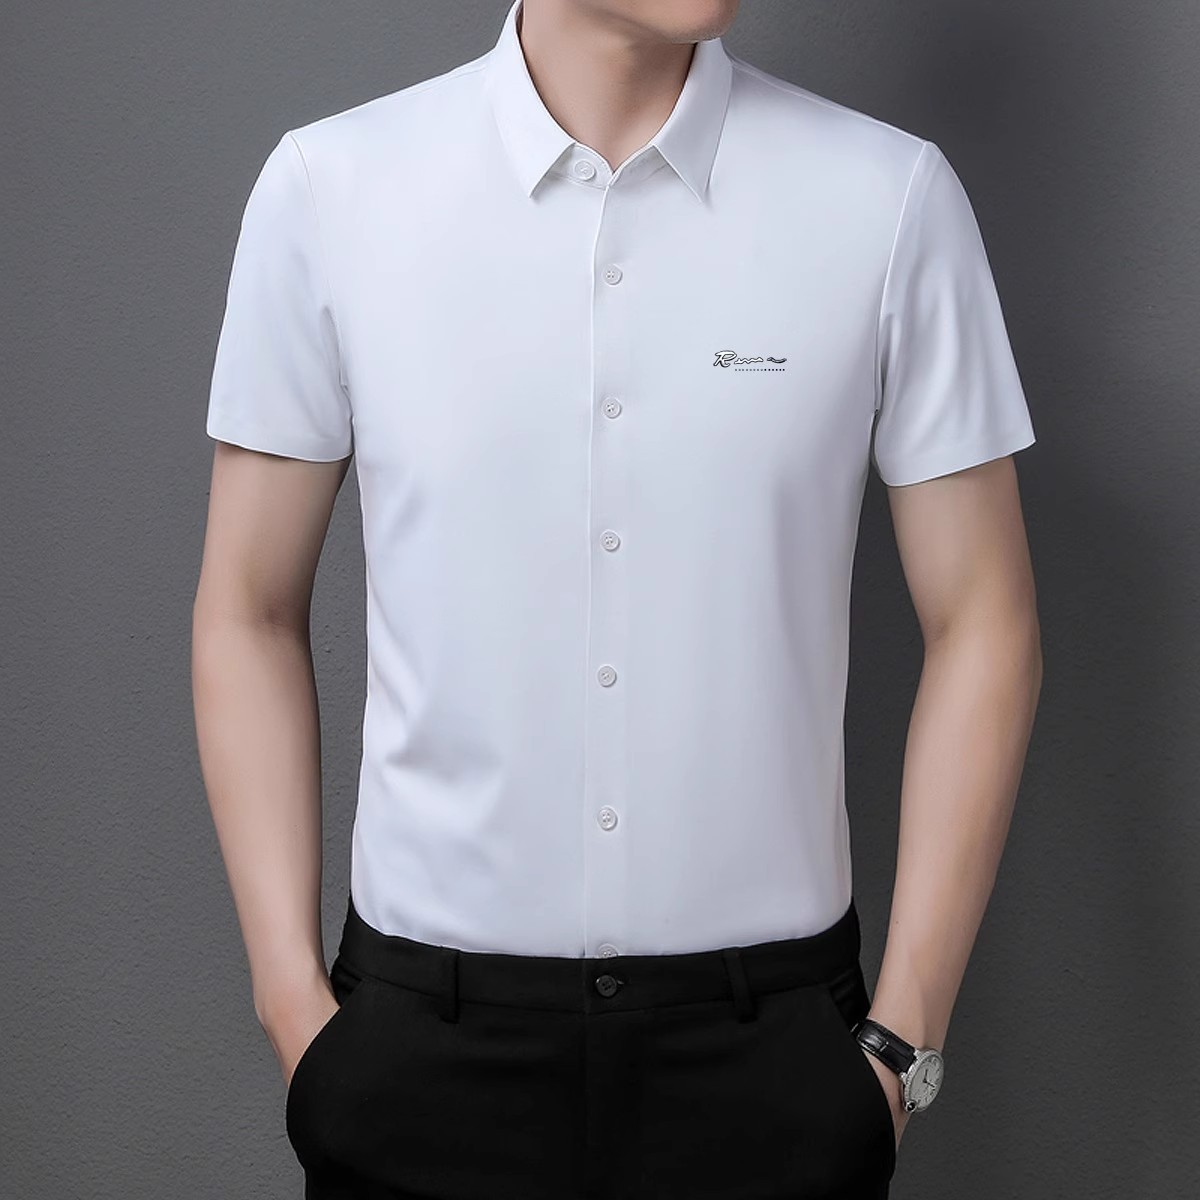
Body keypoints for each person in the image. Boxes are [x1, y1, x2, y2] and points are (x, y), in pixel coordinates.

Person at [192, 0, 1042, 1196]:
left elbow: (985, 621)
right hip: (420, 1054)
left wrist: (901, 1045)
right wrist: (296, 1010)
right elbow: (247, 608)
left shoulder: (886, 198)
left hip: (772, 1060)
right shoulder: (332, 191)